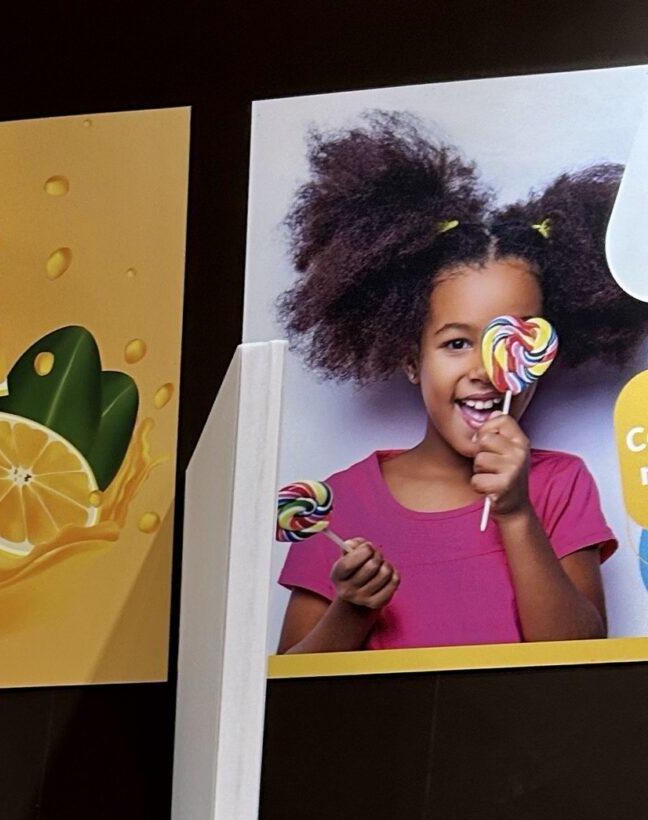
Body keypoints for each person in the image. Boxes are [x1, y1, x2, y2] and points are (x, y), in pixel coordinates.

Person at [274, 114, 646, 653]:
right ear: (410, 357)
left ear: (540, 351)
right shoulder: (342, 501)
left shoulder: (558, 483)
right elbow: (290, 682)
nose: (485, 369)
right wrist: (350, 612)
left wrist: (516, 511)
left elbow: (577, 652)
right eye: (456, 343)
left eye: (511, 338)